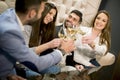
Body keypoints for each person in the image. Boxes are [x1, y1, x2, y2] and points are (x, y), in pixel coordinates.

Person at [0, 0, 75, 79]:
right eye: (42, 11)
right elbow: (36, 64)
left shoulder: (9, 14)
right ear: (32, 13)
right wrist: (62, 51)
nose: (42, 15)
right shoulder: (11, 32)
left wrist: (10, 75)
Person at [22, 2, 62, 77]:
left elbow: (43, 53)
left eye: (53, 16)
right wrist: (48, 45)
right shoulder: (27, 27)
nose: (51, 18)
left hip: (34, 62)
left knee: (56, 69)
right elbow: (24, 54)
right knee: (37, 76)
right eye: (50, 13)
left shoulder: (42, 30)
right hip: (22, 65)